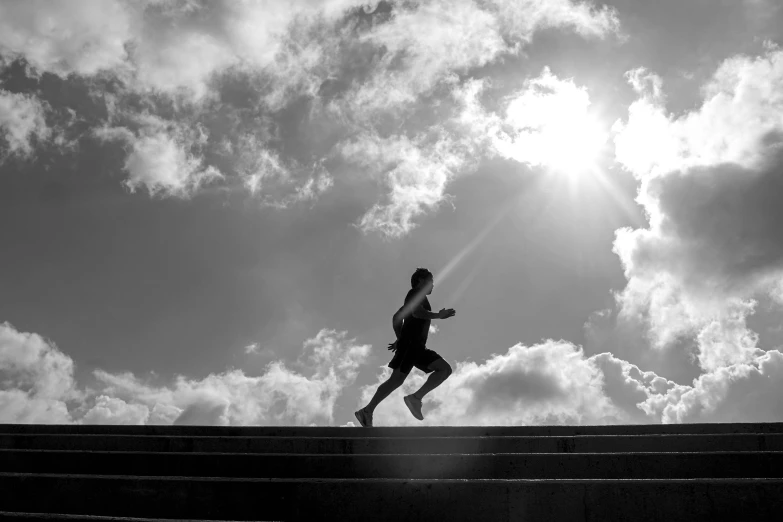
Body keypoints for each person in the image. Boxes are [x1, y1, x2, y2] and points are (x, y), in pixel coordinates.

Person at [355, 268, 455, 427]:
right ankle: (367, 411)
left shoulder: (414, 297)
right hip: (410, 346)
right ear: (421, 280)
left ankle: (415, 398)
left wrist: (400, 338)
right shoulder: (415, 294)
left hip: (416, 347)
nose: (433, 285)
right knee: (396, 380)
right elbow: (417, 313)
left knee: (444, 369)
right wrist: (438, 316)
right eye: (431, 281)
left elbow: (397, 318)